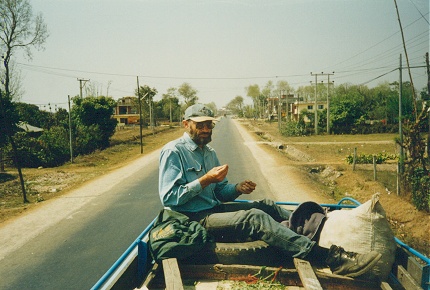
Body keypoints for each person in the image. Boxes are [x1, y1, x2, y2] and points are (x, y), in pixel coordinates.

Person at [158, 103, 381, 278]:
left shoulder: (208, 152)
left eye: (209, 124)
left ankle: (320, 225)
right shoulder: (173, 152)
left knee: (265, 205)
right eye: (201, 125)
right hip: (191, 219)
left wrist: (237, 188)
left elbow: (218, 193)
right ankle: (331, 258)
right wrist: (206, 179)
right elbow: (170, 197)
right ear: (186, 124)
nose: (206, 129)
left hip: (212, 209)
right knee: (254, 218)